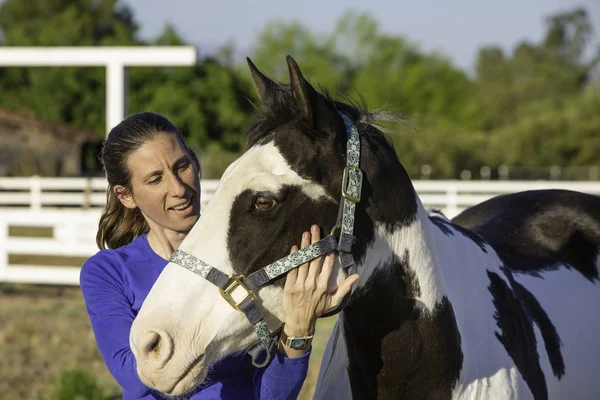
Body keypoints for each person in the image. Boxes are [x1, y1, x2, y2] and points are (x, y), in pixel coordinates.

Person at [79, 111, 358, 400]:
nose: (178, 189)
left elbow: (272, 396)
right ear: (126, 196)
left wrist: (298, 329)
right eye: (154, 179)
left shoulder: (253, 258)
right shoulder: (108, 271)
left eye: (182, 166)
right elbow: (134, 380)